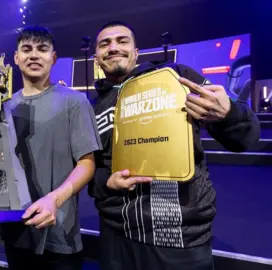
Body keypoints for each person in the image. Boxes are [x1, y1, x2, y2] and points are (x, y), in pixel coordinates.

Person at [89, 21, 260, 270]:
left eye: (122, 41)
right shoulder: (91, 108)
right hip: (116, 235)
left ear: (136, 53)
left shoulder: (176, 77)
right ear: (96, 58)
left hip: (178, 236)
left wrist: (229, 113)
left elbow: (245, 138)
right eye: (105, 44)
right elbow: (89, 168)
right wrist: (105, 181)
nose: (113, 47)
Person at [0, 25, 102, 270]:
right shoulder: (4, 105)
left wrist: (54, 199)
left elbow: (87, 163)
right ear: (16, 58)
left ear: (53, 57)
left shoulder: (74, 101)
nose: (34, 55)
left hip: (59, 235)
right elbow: (0, 168)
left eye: (42, 49)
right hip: (15, 232)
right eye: (26, 49)